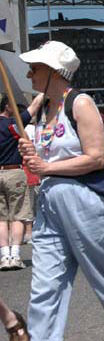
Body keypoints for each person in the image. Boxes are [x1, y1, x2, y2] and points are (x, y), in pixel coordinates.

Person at [17, 41, 104, 340]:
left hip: (83, 200)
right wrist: (33, 156)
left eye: (34, 69)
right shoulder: (42, 108)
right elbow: (46, 159)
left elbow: (94, 157)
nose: (29, 75)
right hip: (49, 202)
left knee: (102, 275)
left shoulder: (80, 103)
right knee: (45, 283)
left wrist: (47, 167)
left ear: (54, 72)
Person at [0, 96, 42, 271]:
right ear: (8, 107)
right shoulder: (12, 124)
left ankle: (4, 257)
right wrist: (44, 90)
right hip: (14, 171)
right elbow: (33, 108)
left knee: (1, 218)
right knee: (17, 214)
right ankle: (15, 255)